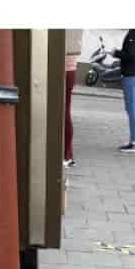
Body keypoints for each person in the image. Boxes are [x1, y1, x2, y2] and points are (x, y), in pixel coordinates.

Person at [63, 29, 83, 167]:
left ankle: (67, 155)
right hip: (69, 68)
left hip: (65, 67)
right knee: (64, 111)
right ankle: (67, 154)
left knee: (63, 112)